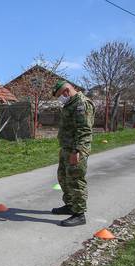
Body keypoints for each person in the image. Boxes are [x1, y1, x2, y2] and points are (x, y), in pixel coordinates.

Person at [51, 81, 95, 227]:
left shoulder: (81, 104)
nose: (59, 99)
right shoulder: (70, 104)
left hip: (76, 150)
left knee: (76, 180)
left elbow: (84, 130)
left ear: (66, 92)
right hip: (67, 148)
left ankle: (79, 214)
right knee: (63, 177)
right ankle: (70, 205)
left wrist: (77, 151)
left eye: (59, 96)